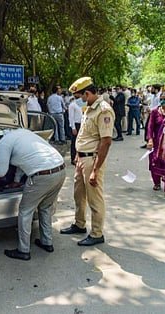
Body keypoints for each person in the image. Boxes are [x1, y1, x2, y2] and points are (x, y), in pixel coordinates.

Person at [0, 129, 65, 261]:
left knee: (25, 211)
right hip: (60, 169)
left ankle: (23, 250)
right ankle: (47, 242)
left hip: (42, 175)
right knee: (45, 208)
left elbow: (1, 171)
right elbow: (21, 162)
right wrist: (16, 181)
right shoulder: (21, 134)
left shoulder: (2, 144)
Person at [60, 77, 115, 246]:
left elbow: (105, 141)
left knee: (94, 198)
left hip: (92, 160)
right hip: (82, 158)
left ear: (88, 93)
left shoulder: (103, 110)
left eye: (80, 95)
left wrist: (95, 170)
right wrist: (78, 154)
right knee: (79, 195)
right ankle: (79, 224)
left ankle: (97, 233)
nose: (79, 98)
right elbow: (86, 135)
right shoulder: (89, 108)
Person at [141, 84, 162, 148]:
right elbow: (152, 105)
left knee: (155, 129)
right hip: (151, 113)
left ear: (156, 89)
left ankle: (155, 143)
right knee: (147, 127)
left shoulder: (160, 96)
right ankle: (148, 141)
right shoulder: (153, 96)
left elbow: (159, 105)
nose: (151, 90)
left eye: (152, 88)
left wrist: (151, 109)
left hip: (157, 114)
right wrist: (149, 108)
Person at [68, 97, 83, 165]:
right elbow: (71, 117)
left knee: (80, 141)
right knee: (74, 142)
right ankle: (73, 158)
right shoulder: (72, 105)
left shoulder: (81, 105)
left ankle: (79, 157)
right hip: (75, 124)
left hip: (81, 124)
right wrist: (73, 127)